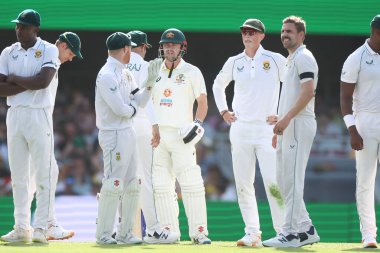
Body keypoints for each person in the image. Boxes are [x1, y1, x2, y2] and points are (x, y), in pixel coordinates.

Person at [212, 18, 285, 247]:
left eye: (252, 32)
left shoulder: (275, 60)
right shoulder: (235, 62)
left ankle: (283, 232)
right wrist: (224, 110)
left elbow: (294, 84)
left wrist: (283, 114)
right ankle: (252, 233)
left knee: (273, 183)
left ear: (262, 35)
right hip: (241, 128)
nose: (247, 36)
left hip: (266, 129)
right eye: (244, 32)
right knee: (243, 183)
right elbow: (217, 84)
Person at [0, 9, 66, 244]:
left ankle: (40, 228)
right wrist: (26, 83)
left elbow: (43, 81)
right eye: (18, 25)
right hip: (15, 114)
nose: (19, 29)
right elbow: (0, 88)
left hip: (39, 114)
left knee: (43, 173)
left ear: (35, 29)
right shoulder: (8, 52)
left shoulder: (48, 49)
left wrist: (14, 79)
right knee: (18, 175)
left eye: (24, 26)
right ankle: (21, 227)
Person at [94, 32, 161, 244]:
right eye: (129, 48)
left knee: (133, 183)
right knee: (114, 182)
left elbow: (140, 101)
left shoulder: (125, 73)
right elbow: (120, 109)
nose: (131, 52)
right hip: (113, 133)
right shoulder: (106, 75)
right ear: (125, 49)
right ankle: (104, 234)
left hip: (128, 130)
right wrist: (132, 107)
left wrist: (149, 83)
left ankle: (125, 233)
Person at [262, 16, 320, 247]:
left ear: (301, 35)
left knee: (293, 180)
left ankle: (290, 233)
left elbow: (308, 93)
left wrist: (285, 119)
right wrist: (281, 121)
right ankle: (306, 229)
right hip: (289, 124)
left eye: (290, 31)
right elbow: (295, 95)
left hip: (298, 123)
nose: (285, 34)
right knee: (284, 181)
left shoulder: (304, 58)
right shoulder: (291, 59)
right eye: (283, 31)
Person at [151, 28, 211, 244]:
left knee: (191, 182)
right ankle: (169, 231)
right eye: (166, 45)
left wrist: (197, 123)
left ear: (182, 48)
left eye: (173, 45)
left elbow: (202, 102)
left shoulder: (192, 72)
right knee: (161, 184)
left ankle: (199, 231)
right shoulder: (153, 69)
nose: (169, 48)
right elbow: (145, 101)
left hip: (182, 134)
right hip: (158, 136)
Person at [125, 30, 179, 244]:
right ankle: (155, 230)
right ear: (144, 47)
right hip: (140, 123)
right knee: (145, 179)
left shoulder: (116, 65)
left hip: (119, 126)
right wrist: (155, 125)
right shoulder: (148, 66)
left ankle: (119, 231)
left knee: (120, 179)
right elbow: (147, 100)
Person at [340, 14, 380, 249]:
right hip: (365, 122)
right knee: (365, 182)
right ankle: (369, 235)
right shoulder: (356, 58)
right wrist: (352, 129)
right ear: (376, 33)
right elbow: (345, 98)